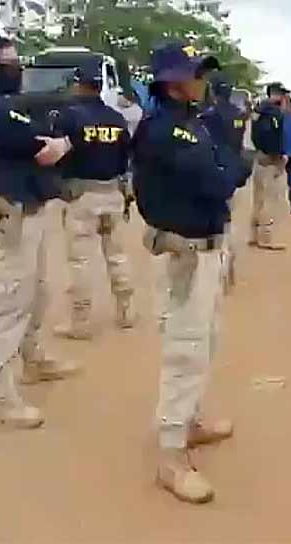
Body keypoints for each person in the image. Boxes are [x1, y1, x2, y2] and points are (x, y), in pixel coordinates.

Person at [133, 41, 243, 504]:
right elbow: (223, 178)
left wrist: (229, 167)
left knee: (205, 340)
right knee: (185, 350)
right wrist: (231, 167)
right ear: (173, 80)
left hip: (206, 249)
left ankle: (190, 421)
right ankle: (171, 454)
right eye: (195, 72)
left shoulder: (191, 124)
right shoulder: (165, 129)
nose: (201, 80)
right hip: (185, 253)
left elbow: (226, 170)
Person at [0, 34, 79, 429]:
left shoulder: (7, 106)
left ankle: (34, 358)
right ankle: (2, 395)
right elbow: (39, 144)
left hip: (29, 212)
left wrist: (57, 141)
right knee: (7, 304)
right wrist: (60, 143)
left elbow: (42, 133)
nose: (18, 69)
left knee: (37, 293)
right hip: (5, 219)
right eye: (9, 63)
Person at [52, 59, 135, 340]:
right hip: (112, 193)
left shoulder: (68, 116)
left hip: (82, 196)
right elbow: (126, 159)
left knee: (80, 261)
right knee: (118, 256)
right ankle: (126, 310)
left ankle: (81, 322)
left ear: (78, 83)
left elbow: (56, 155)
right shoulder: (116, 118)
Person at [200, 71, 251, 291]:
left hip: (215, 171)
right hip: (235, 171)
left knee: (216, 226)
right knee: (229, 223)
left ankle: (219, 273)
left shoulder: (209, 116)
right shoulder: (238, 115)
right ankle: (229, 269)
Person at [249, 82, 288, 250]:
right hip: (270, 159)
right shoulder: (273, 112)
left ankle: (254, 235)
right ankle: (266, 238)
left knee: (258, 199)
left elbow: (255, 134)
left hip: (259, 156)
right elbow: (273, 137)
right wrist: (277, 156)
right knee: (270, 199)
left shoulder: (258, 110)